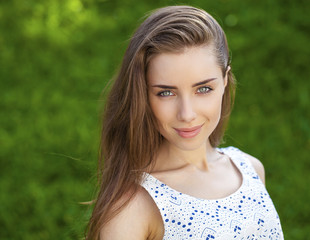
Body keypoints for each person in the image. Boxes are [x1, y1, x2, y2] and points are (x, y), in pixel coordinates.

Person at [85, 5, 283, 240]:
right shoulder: (133, 207)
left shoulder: (250, 170)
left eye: (203, 89)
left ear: (225, 81)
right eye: (166, 93)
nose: (187, 114)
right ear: (142, 96)